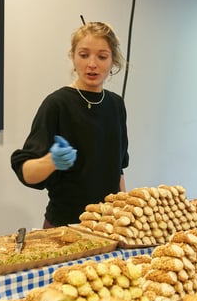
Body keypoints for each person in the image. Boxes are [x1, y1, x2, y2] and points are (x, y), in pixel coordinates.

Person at [11, 21, 129, 228]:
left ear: (113, 61)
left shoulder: (116, 104)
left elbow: (118, 168)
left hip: (108, 224)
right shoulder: (57, 104)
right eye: (84, 55)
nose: (92, 64)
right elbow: (27, 173)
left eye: (102, 57)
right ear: (73, 58)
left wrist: (123, 209)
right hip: (65, 225)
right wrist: (51, 161)